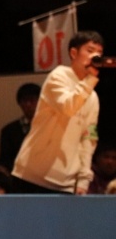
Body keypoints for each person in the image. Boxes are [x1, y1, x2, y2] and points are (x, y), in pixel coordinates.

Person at [12, 31, 104, 194]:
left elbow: (89, 138)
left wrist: (83, 179)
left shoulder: (93, 96)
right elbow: (68, 107)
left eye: (99, 53)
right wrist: (89, 80)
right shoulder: (59, 76)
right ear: (74, 53)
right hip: (32, 174)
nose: (95, 56)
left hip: (66, 182)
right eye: (90, 51)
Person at [0, 82, 41, 171]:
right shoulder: (8, 131)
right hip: (19, 178)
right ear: (20, 103)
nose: (28, 104)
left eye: (32, 100)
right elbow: (5, 159)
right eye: (25, 101)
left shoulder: (52, 126)